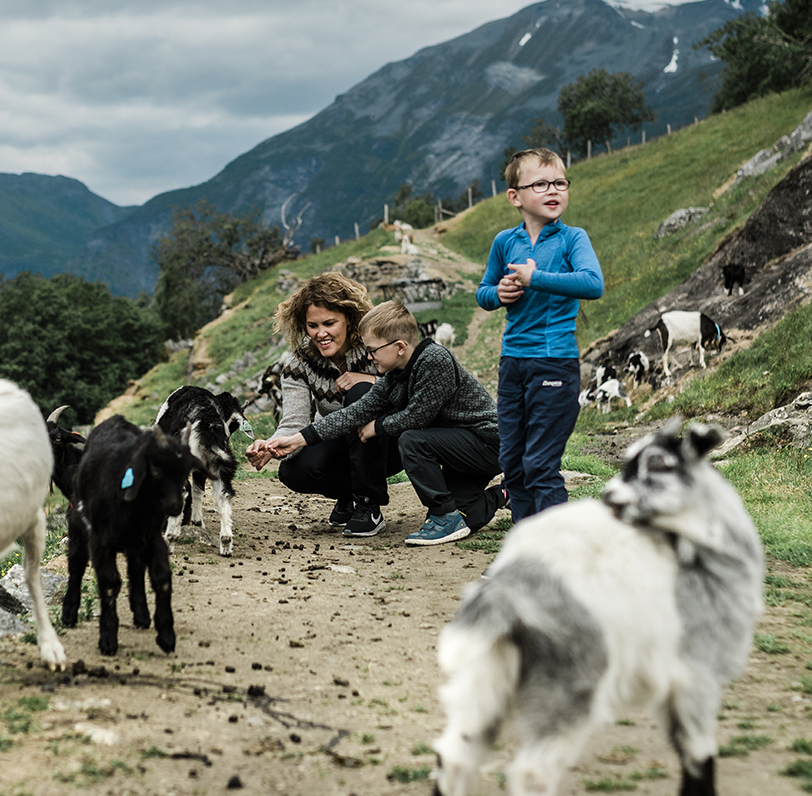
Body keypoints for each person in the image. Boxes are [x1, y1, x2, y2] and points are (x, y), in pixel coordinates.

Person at [254, 301, 503, 546]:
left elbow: (417, 417)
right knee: (465, 516)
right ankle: (506, 493)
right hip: (454, 452)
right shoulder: (394, 376)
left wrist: (378, 426)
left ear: (400, 347)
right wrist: (295, 440)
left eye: (373, 350)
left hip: (485, 444)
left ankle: (443, 514)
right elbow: (353, 413)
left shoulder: (434, 360)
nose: (369, 357)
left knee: (412, 439)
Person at [476, 146, 604, 521]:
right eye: (541, 184)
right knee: (513, 462)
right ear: (515, 196)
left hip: (555, 362)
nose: (554, 190)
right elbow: (483, 293)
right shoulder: (505, 242)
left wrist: (536, 279)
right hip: (512, 364)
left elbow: (592, 283)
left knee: (540, 464)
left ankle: (553, 557)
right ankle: (525, 551)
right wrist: (498, 294)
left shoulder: (572, 239)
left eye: (560, 182)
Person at [243, 272, 398, 536]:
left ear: (348, 319)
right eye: (312, 325)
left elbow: (407, 388)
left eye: (329, 323)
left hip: (388, 438)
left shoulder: (374, 343)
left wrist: (370, 380)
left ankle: (368, 505)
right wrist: (271, 445)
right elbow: (294, 420)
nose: (321, 333)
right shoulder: (299, 363)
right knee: (293, 471)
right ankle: (347, 494)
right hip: (337, 438)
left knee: (360, 392)